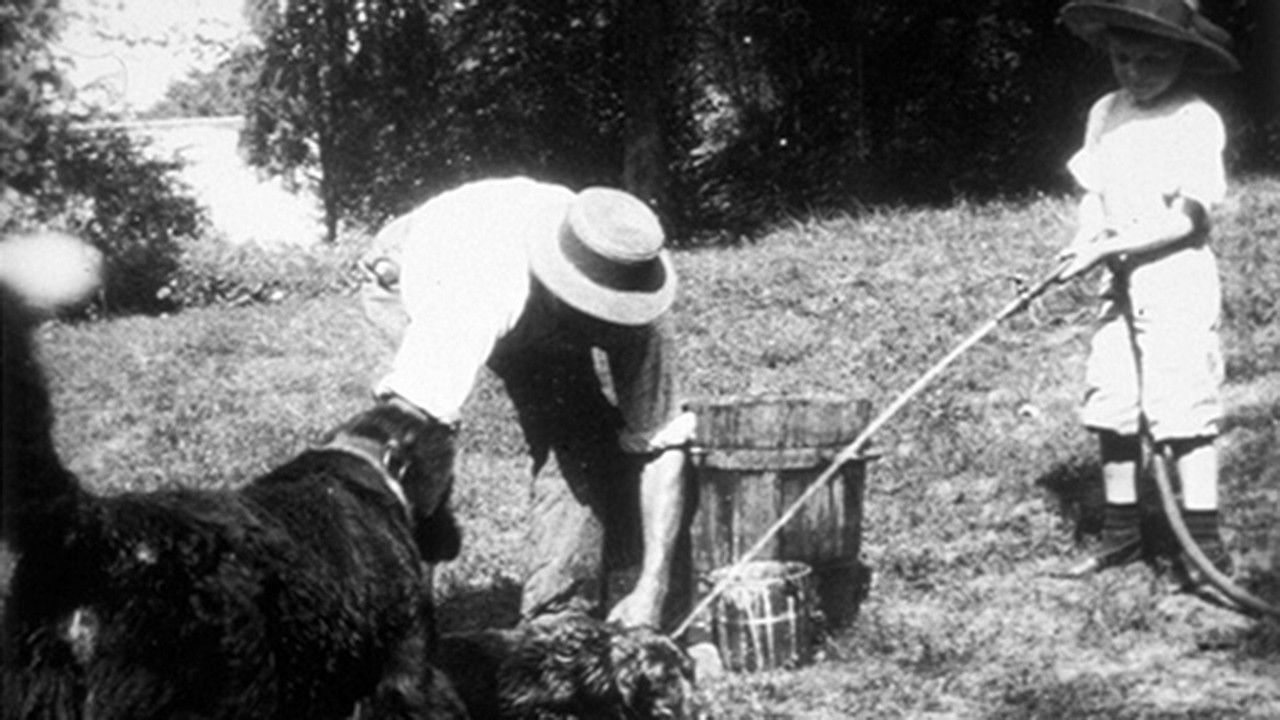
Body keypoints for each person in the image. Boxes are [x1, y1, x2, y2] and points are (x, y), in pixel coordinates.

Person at [358, 177, 694, 629]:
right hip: (413, 268)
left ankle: (556, 619)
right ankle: (396, 619)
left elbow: (661, 445)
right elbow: (410, 430)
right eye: (590, 308)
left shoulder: (636, 292)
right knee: (412, 447)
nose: (602, 324)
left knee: (581, 435)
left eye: (608, 314)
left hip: (533, 300)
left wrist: (653, 589)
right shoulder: (479, 288)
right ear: (558, 286)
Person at [1053, 0, 1240, 582]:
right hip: (1119, 281)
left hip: (1175, 277)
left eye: (1152, 60)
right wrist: (1085, 240)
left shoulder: (1195, 119)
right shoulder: (1105, 112)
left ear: (1183, 56)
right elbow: (1095, 195)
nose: (1135, 72)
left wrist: (1108, 248)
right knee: (1112, 404)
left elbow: (1189, 220)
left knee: (1182, 410)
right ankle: (1121, 535)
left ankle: (1202, 548)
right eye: (1123, 58)